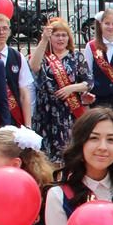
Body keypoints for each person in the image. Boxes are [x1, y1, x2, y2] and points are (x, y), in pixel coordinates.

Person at [29, 17, 91, 164]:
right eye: (57, 35)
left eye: (64, 35)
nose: (61, 39)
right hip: (46, 110)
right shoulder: (43, 56)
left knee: (68, 151)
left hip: (69, 110)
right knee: (45, 155)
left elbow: (88, 82)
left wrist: (72, 88)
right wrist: (44, 40)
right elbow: (33, 67)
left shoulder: (76, 57)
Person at [0, 13, 33, 127]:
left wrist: (28, 126)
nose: (1, 33)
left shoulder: (18, 57)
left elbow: (24, 94)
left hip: (13, 118)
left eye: (5, 28)